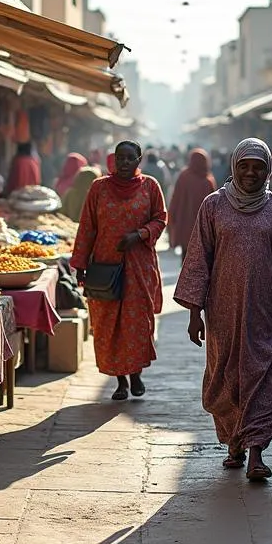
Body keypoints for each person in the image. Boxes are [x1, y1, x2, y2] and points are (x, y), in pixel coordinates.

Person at [175, 139, 272, 482]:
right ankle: (235, 442)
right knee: (227, 374)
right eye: (244, 165)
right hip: (223, 311)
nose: (250, 173)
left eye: (258, 166)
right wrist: (193, 313)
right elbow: (200, 258)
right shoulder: (213, 206)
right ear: (233, 167)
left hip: (265, 312)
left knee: (262, 376)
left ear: (268, 170)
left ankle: (256, 451)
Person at [71, 141, 167, 401]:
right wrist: (80, 265)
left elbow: (160, 218)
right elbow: (87, 226)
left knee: (136, 323)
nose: (124, 163)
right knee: (108, 325)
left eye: (129, 158)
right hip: (105, 268)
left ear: (139, 160)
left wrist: (140, 234)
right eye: (119, 158)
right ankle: (120, 381)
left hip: (139, 267)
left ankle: (136, 375)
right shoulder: (99, 188)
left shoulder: (150, 186)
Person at [167, 148, 216, 258]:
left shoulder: (184, 176)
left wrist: (172, 218)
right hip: (203, 228)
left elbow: (176, 199)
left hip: (186, 225)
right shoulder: (208, 180)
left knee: (186, 257)